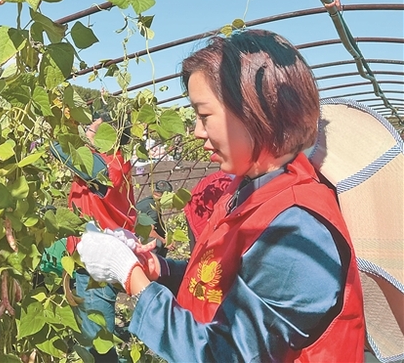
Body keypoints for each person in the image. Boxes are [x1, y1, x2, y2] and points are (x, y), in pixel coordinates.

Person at [75, 30, 365, 362]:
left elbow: (225, 355)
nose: (197, 131)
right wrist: (161, 270)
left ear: (256, 111)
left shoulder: (298, 229)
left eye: (205, 115)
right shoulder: (250, 190)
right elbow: (227, 284)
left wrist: (130, 276)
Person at [50, 112, 137, 363]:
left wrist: (61, 122)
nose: (87, 133)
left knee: (96, 338)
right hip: (100, 256)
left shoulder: (104, 167)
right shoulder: (115, 163)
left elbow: (58, 149)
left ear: (110, 137)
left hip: (95, 264)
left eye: (92, 130)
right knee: (92, 327)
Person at [182, 169, 234, 251]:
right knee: (201, 245)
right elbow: (207, 202)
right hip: (197, 210)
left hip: (203, 206)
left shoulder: (231, 176)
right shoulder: (224, 182)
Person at [134, 180, 173, 257]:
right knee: (158, 243)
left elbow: (159, 224)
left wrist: (168, 235)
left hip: (133, 231)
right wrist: (165, 242)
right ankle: (154, 263)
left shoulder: (149, 200)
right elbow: (150, 232)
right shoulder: (153, 208)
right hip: (135, 235)